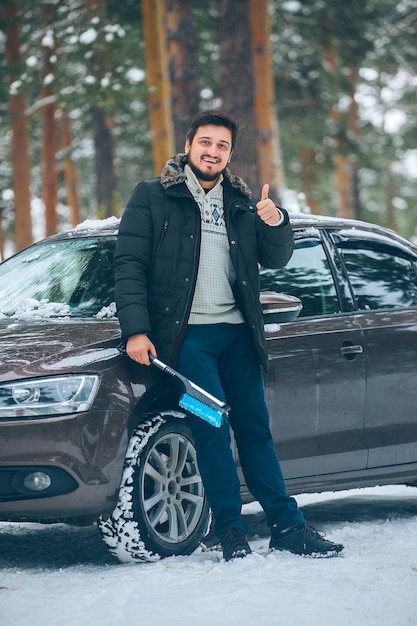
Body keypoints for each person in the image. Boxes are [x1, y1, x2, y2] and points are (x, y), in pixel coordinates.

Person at [114, 110, 344, 561]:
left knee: (255, 429)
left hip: (238, 337)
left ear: (230, 154)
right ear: (188, 144)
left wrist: (275, 221)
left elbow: (276, 259)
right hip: (187, 343)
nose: (212, 151)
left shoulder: (242, 201)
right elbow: (129, 265)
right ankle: (230, 530)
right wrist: (136, 330)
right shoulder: (152, 196)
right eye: (205, 142)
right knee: (211, 428)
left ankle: (287, 527)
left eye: (222, 146)